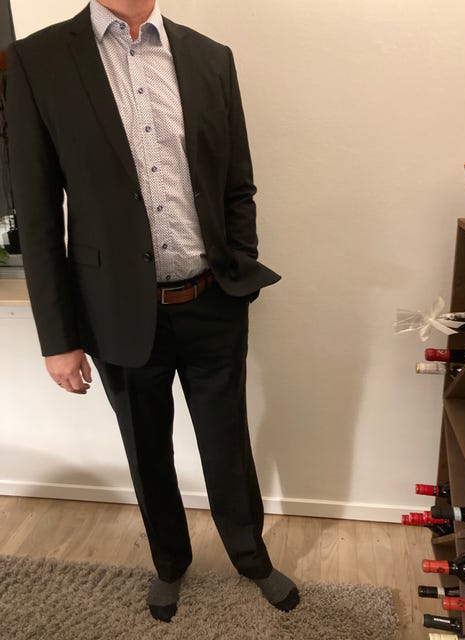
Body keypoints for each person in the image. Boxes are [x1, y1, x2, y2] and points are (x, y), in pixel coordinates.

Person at [6, 0, 300, 622]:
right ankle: (170, 563)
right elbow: (37, 213)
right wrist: (58, 337)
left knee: (227, 442)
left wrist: (240, 267)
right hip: (115, 308)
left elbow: (238, 182)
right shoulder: (38, 61)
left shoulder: (210, 58)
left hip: (212, 300)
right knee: (146, 448)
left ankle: (251, 557)